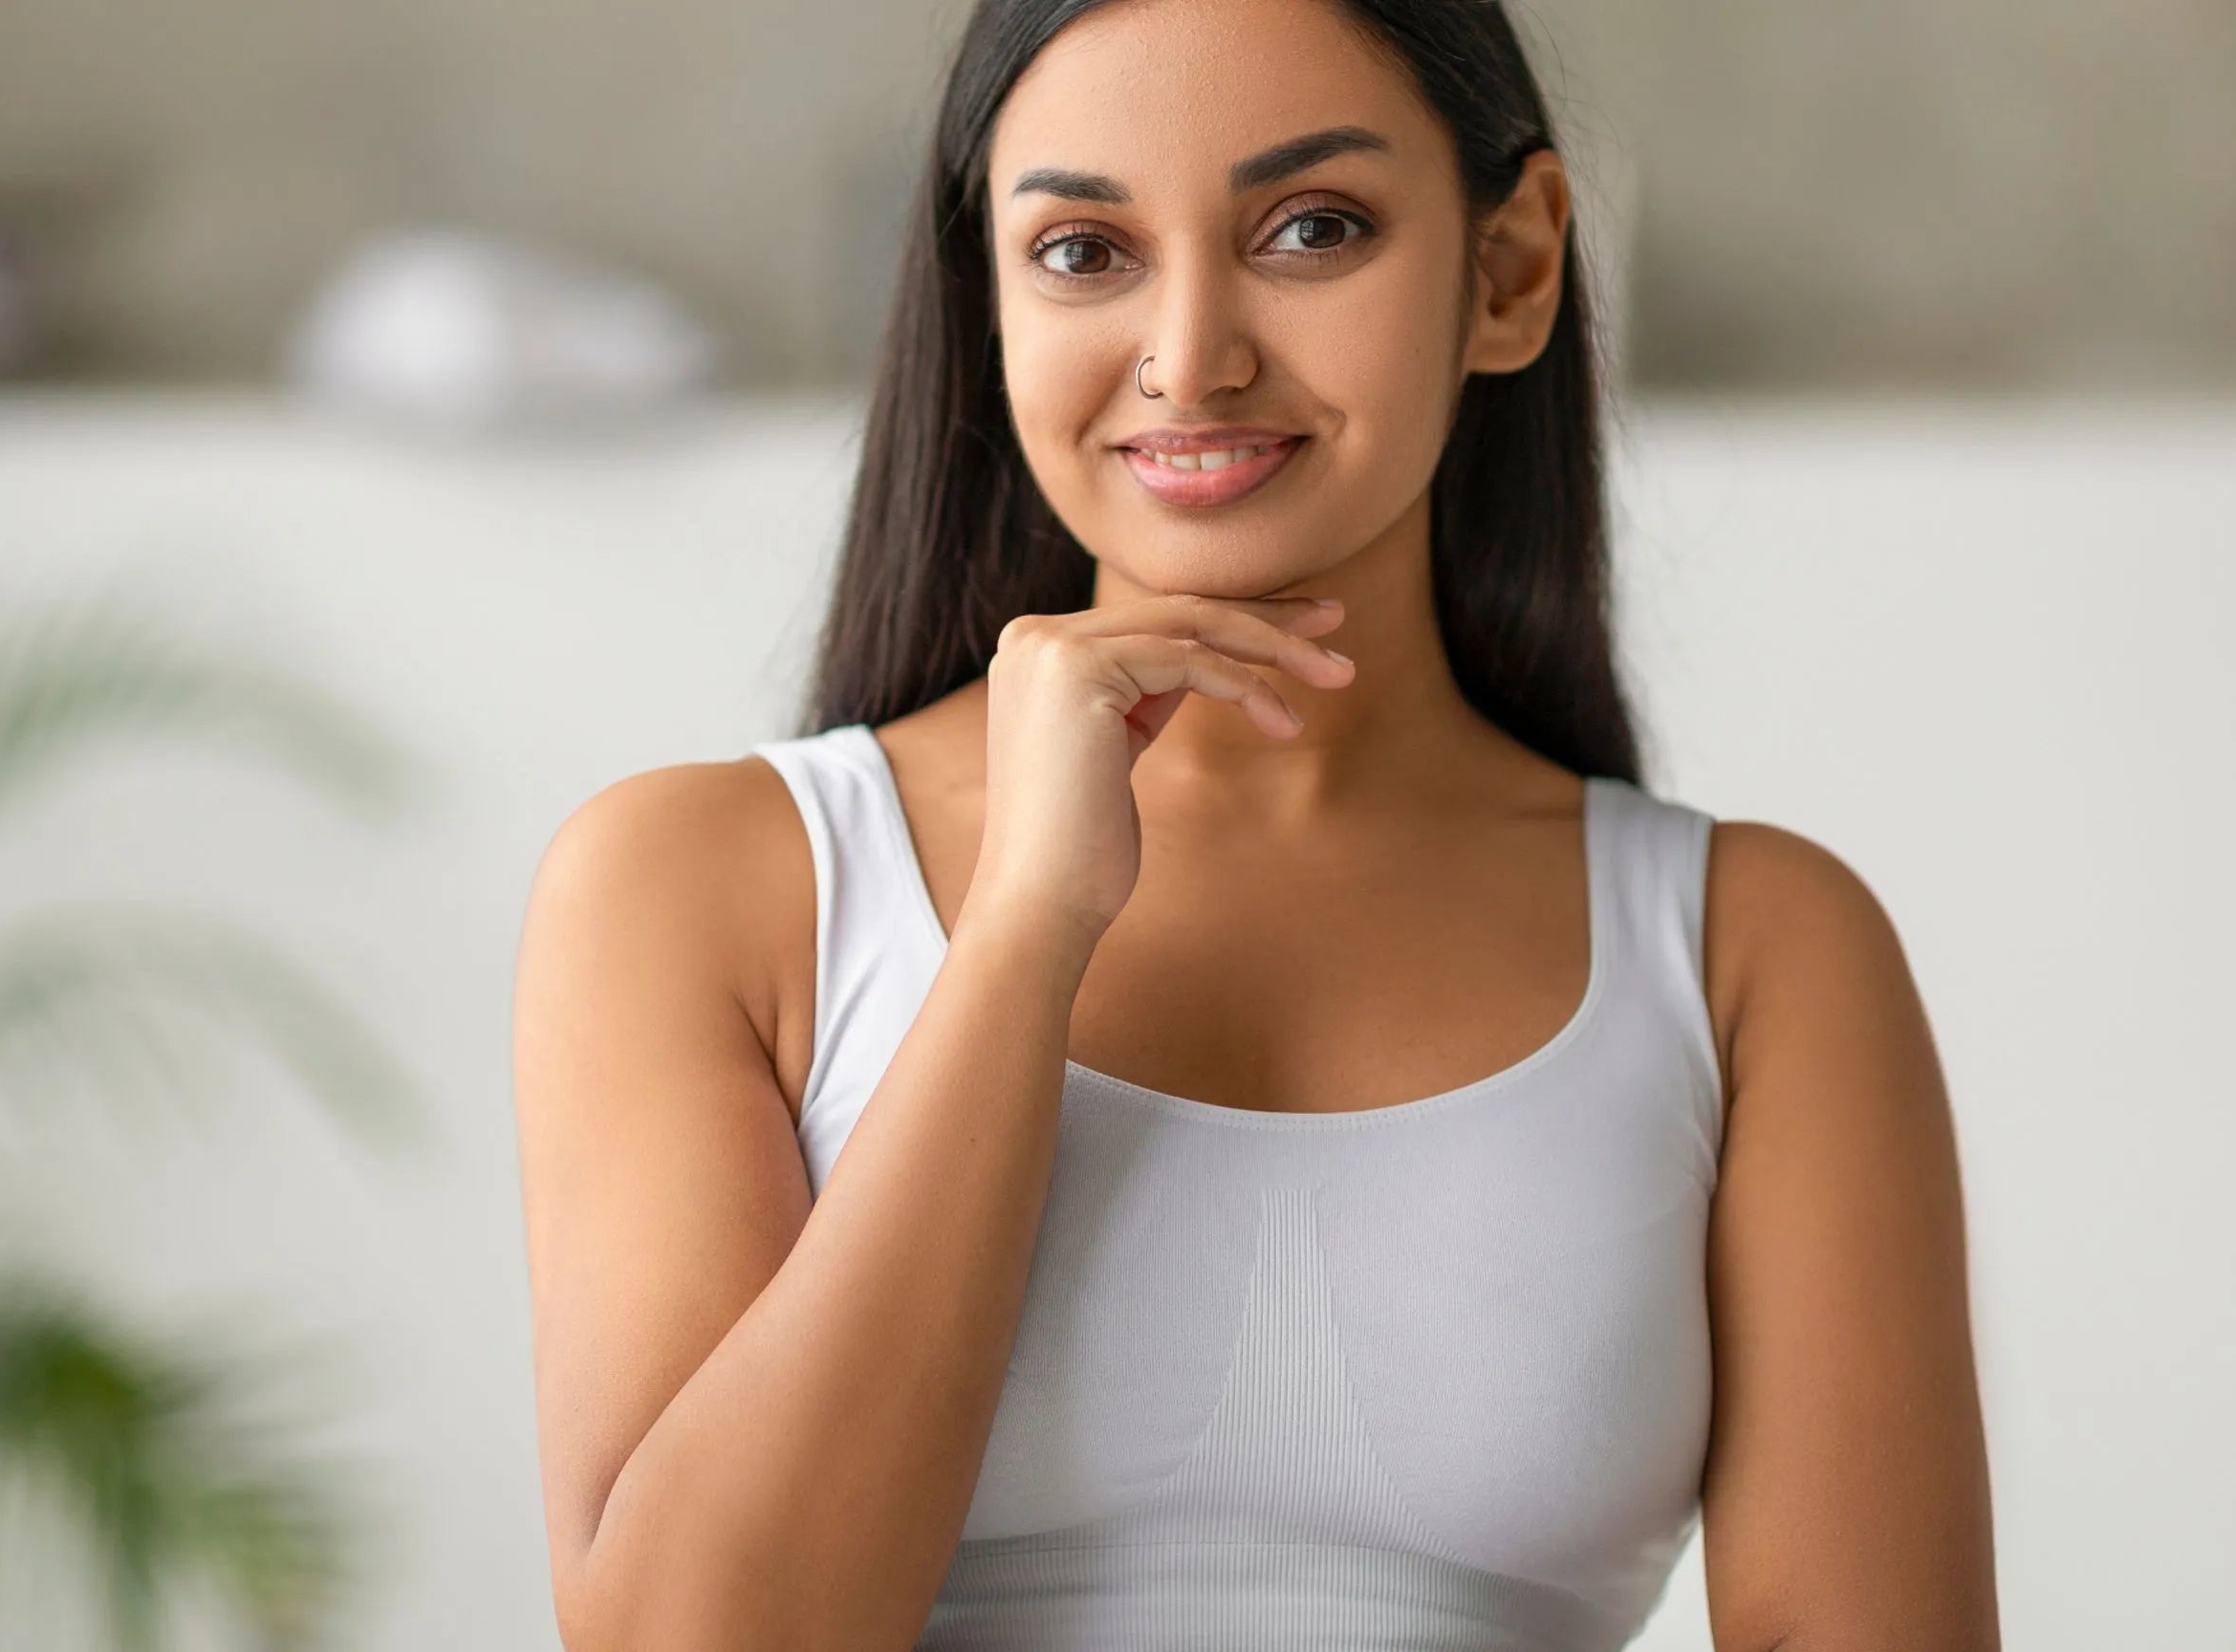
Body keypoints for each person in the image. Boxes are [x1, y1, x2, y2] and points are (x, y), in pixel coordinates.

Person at [510, 0, 1998, 1646]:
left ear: (1508, 274)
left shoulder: (1753, 953)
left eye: (1312, 228)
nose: (1191, 354)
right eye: (1083, 251)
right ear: (987, 298)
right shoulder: (700, 884)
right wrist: (1020, 936)